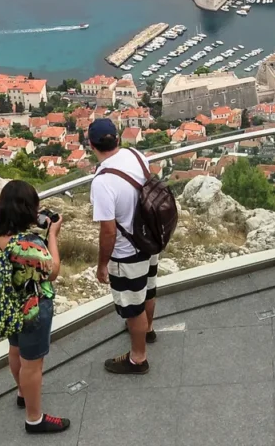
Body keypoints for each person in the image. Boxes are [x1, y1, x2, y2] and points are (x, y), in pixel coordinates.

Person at [0, 181, 68, 433]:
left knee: (15, 349)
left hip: (5, 302)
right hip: (31, 308)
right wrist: (52, 235)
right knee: (32, 364)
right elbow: (53, 271)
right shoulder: (28, 246)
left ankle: (23, 393)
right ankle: (34, 419)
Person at [89, 117, 156, 375]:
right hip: (149, 238)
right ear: (117, 139)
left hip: (127, 252)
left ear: (91, 145)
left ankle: (138, 358)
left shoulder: (102, 181)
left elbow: (108, 231)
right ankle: (148, 331)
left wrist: (102, 265)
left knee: (132, 306)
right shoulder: (135, 155)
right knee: (148, 289)